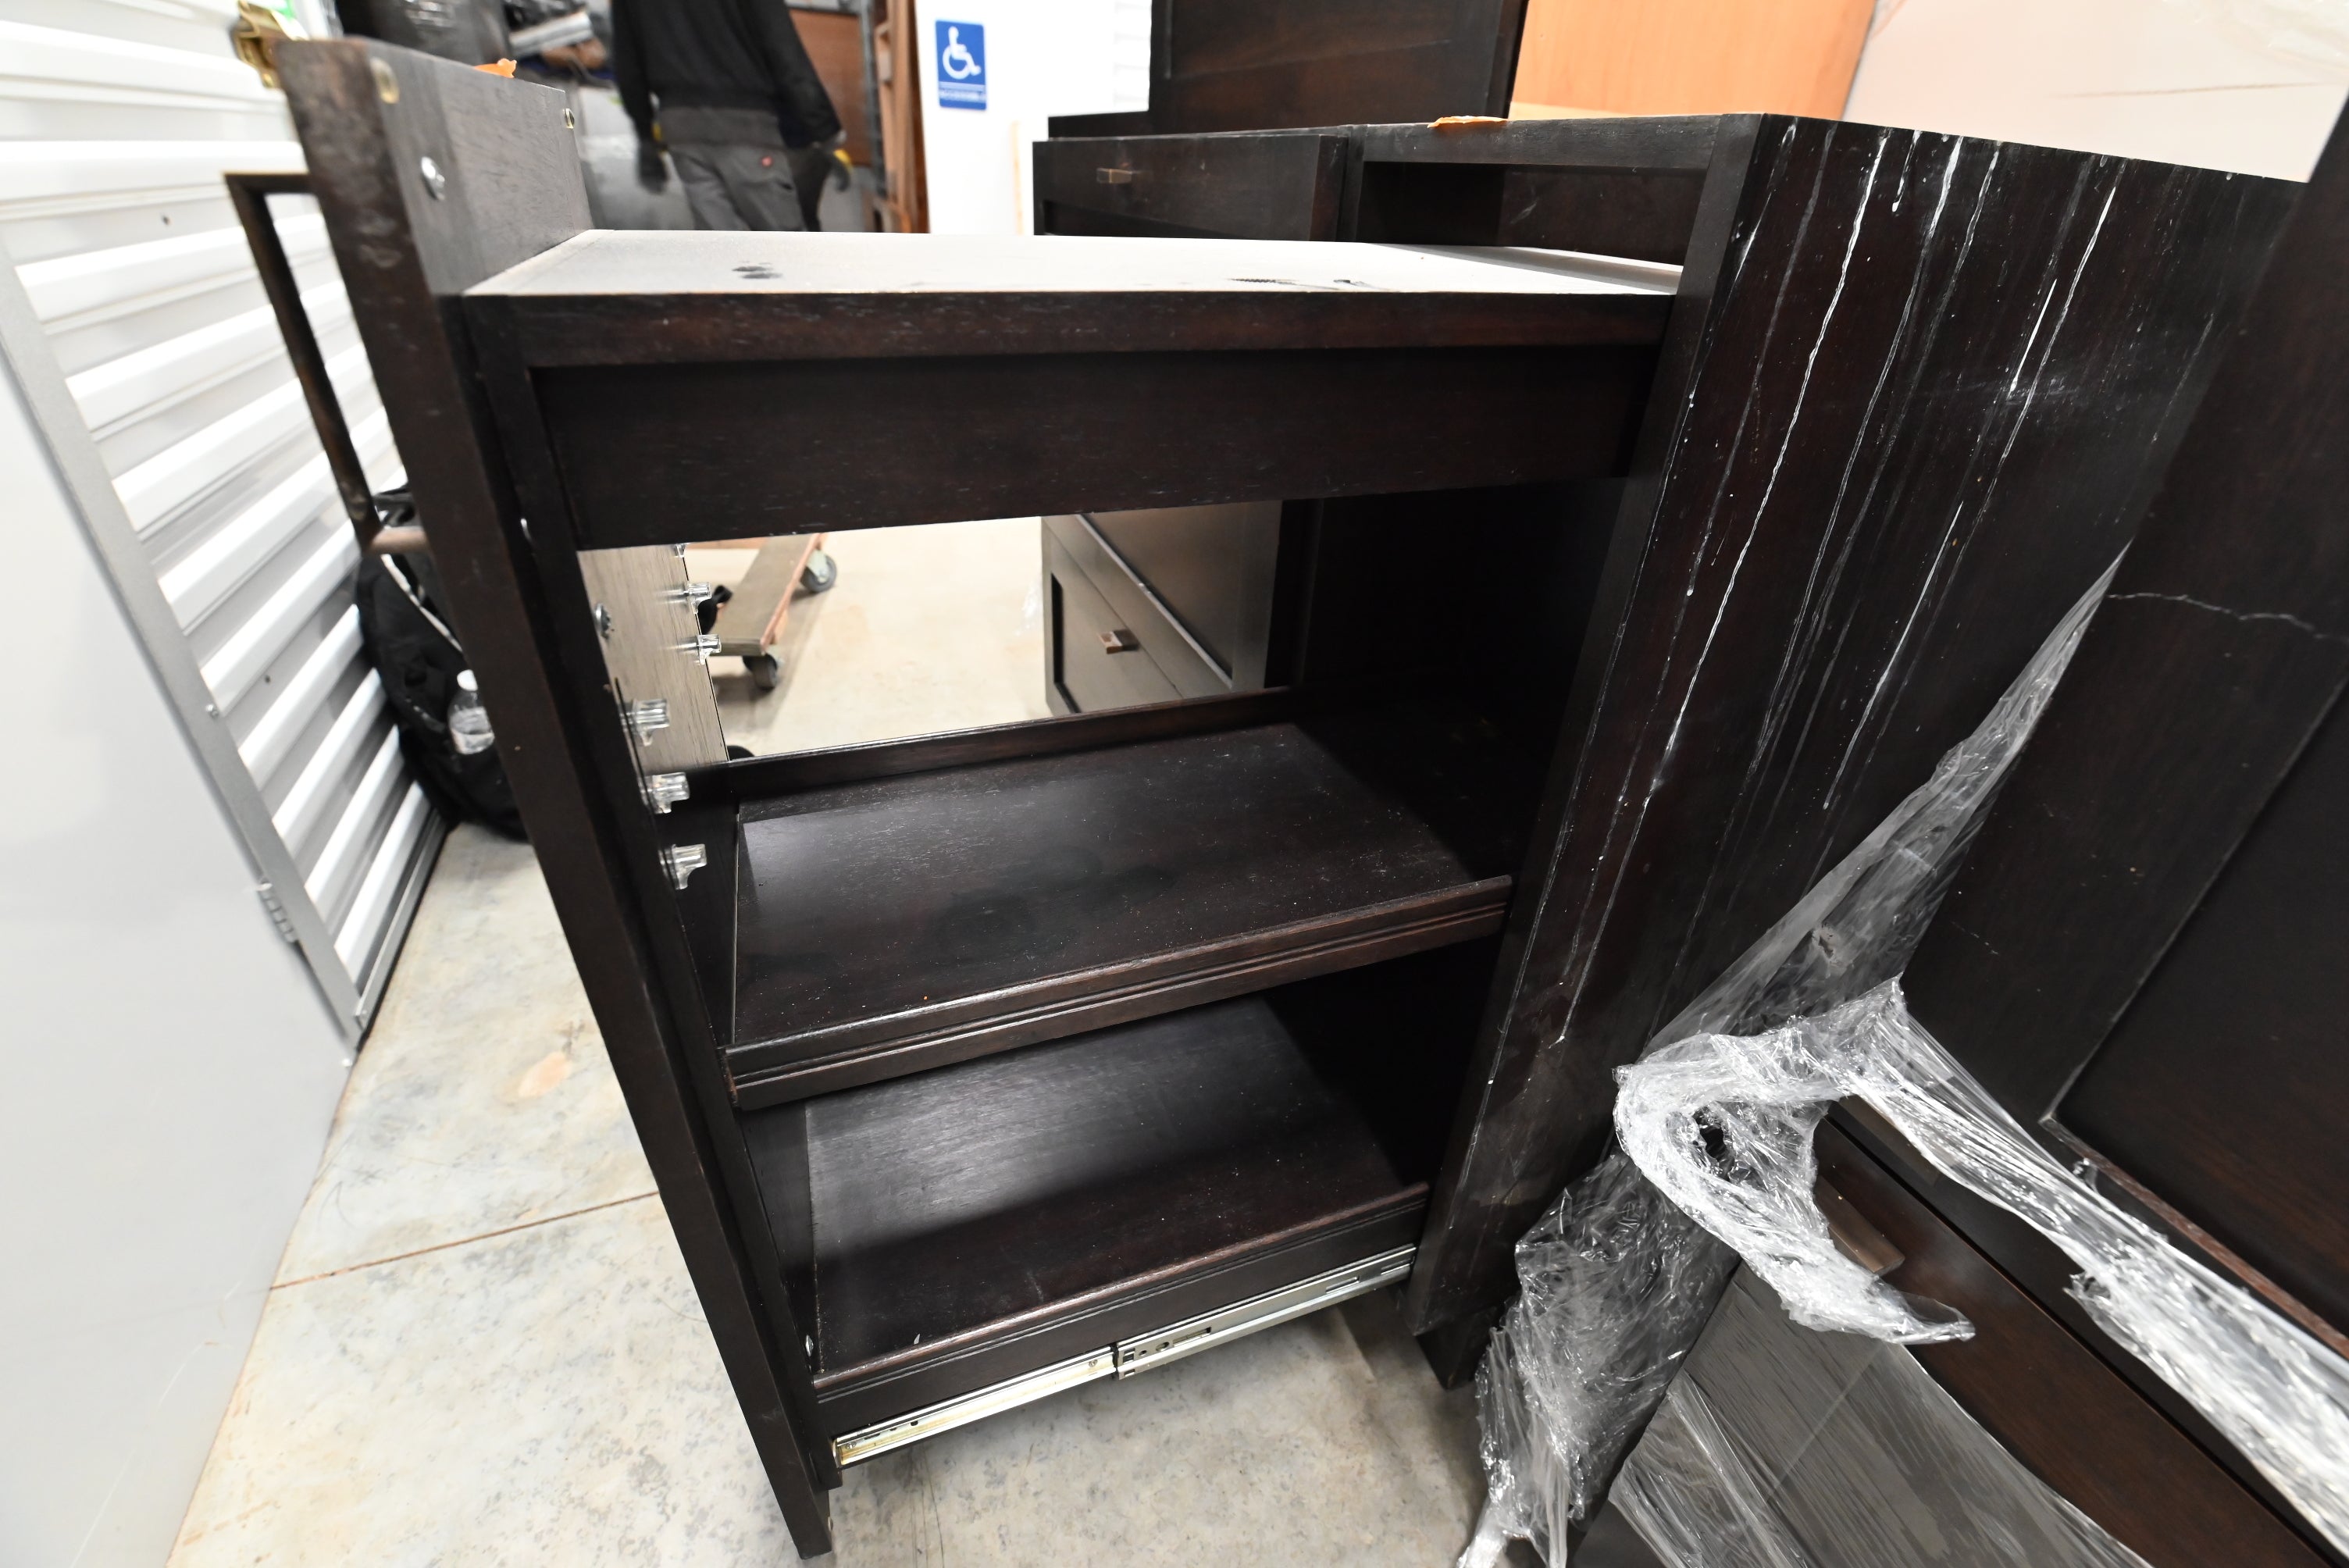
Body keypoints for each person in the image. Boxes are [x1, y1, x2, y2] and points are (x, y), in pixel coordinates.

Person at [611, 0, 842, 230]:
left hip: (682, 127)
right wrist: (825, 131)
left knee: (721, 248)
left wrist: (645, 137)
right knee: (781, 242)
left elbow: (628, 61)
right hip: (747, 125)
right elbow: (784, 48)